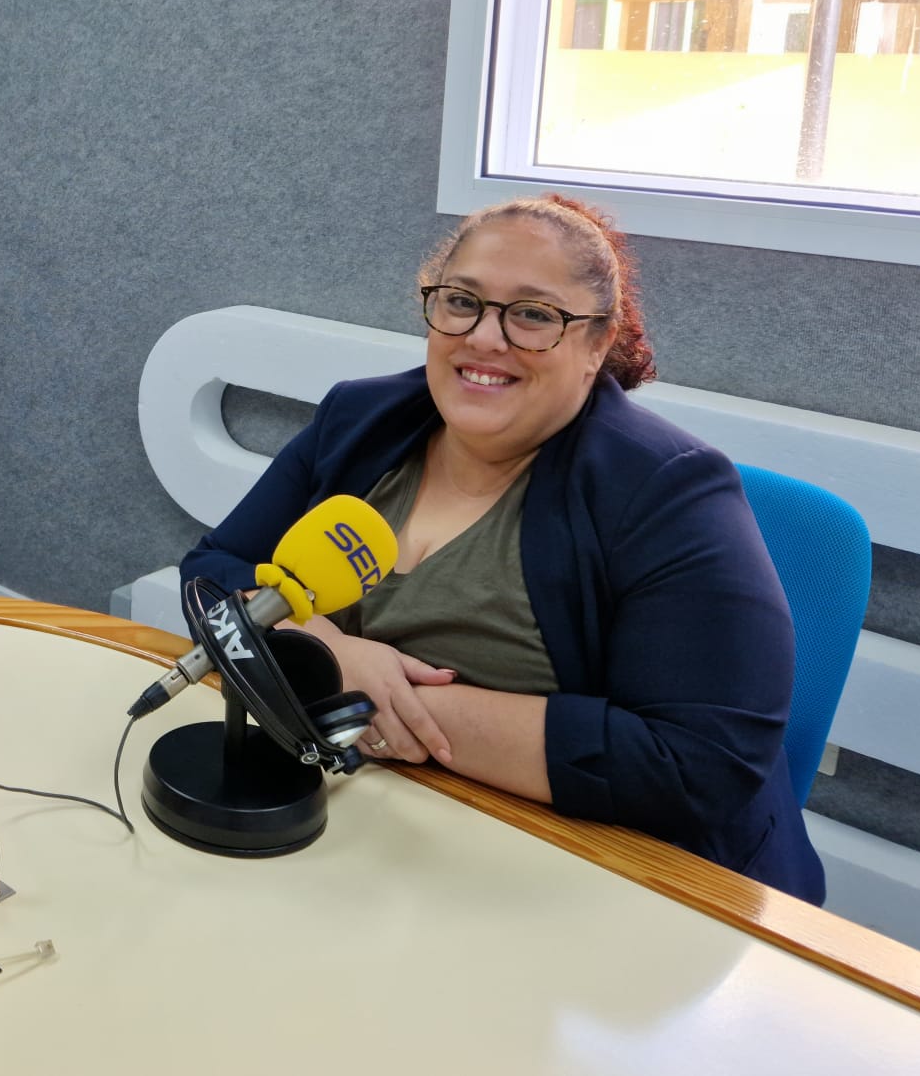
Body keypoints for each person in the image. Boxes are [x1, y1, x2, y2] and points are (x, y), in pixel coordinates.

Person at [177, 193, 822, 901]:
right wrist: (332, 657)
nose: (486, 338)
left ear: (597, 343)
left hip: (605, 889)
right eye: (462, 301)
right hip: (371, 839)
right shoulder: (359, 420)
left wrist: (368, 709)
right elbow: (215, 573)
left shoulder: (670, 492)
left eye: (534, 315)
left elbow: (699, 767)